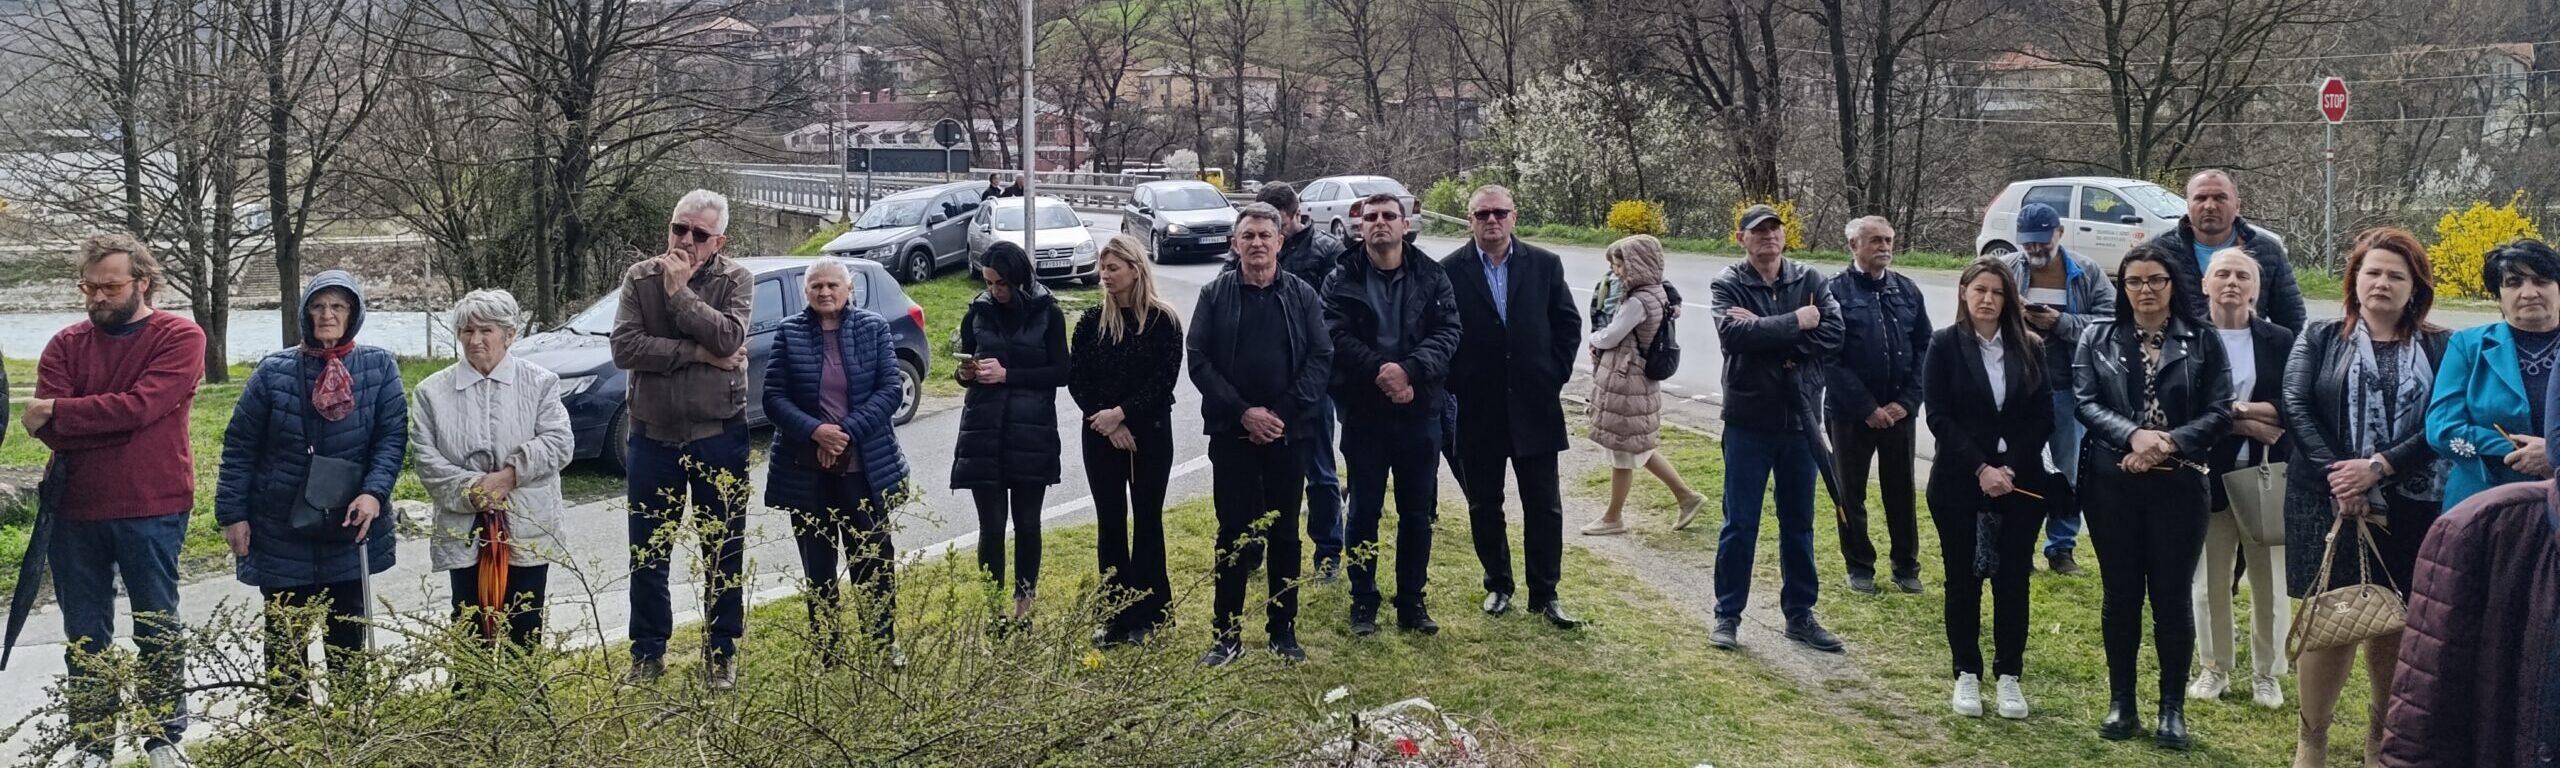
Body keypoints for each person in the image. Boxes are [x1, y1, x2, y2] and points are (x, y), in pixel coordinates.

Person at [29, 235, 205, 765]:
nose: (98, 297)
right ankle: (92, 746)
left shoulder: (180, 336)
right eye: (89, 287)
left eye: (110, 286)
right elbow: (49, 430)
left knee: (157, 625)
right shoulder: (65, 344)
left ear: (143, 282)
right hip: (74, 507)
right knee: (84, 635)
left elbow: (141, 407)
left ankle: (163, 740)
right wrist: (115, 422)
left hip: (154, 503)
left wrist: (66, 413)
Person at [2282, 228, 2450, 768]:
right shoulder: (2320, 336)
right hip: (2325, 501)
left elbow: (2441, 422)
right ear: (2354, 279)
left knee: (2397, 622)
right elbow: (2296, 405)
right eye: (2372, 272)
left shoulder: (2442, 346)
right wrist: (2343, 478)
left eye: (2396, 275)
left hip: (2413, 504)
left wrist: (2378, 468)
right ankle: (2312, 741)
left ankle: (2381, 739)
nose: (2382, 283)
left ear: (2415, 288)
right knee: (2329, 623)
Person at [216, 270, 408, 709]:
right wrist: (232, 514)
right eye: (318, 306)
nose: (327, 315)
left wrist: (374, 493)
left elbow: (391, 439)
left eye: (338, 306)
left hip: (350, 520)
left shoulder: (379, 367)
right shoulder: (273, 371)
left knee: (347, 635)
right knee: (286, 640)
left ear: (353, 314)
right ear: (305, 313)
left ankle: (350, 723)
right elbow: (240, 446)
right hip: (281, 525)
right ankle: (291, 727)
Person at [2076, 247, 2232, 750]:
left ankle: (2171, 710)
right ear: (2122, 287)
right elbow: (2085, 401)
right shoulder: (2097, 335)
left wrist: (2167, 442)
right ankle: (2122, 702)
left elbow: (2221, 410)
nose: (2145, 290)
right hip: (2112, 480)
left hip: (2179, 482)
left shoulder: (2202, 338)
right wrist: (2132, 436)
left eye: (2155, 280)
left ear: (2173, 284)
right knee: (2120, 594)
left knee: (2171, 596)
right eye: (2134, 281)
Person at [611, 189, 755, 689]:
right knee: (648, 552)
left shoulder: (737, 279)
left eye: (699, 233)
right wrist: (698, 354)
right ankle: (647, 653)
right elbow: (625, 348)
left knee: (723, 547)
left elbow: (729, 338)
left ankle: (721, 652)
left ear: (719, 242)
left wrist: (679, 295)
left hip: (719, 435)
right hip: (652, 438)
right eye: (679, 228)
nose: (685, 240)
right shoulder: (639, 277)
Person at [2376, 376, 2560, 766]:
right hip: (2494, 520)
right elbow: (2443, 429)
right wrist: (2523, 450)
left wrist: (2549, 454)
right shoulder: (2471, 528)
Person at [1189, 202, 1332, 666]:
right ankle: (1225, 634)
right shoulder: (1214, 294)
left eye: (1264, 235)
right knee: (1232, 533)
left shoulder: (1302, 295)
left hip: (1289, 434)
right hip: (1231, 432)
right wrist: (1244, 412)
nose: (1256, 243)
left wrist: (1279, 415)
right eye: (1247, 236)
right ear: (1235, 243)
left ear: (1279, 242)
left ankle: (1282, 630)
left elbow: (1320, 358)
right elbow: (1199, 360)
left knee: (1285, 533)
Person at [1441, 185, 1585, 628]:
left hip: (1534, 405)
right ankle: (1499, 584)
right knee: (1485, 504)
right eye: (1482, 213)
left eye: (1500, 212)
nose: (1492, 220)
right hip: (1478, 407)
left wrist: (1551, 375)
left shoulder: (1544, 264)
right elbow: (1440, 332)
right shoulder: (1449, 270)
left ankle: (1545, 593)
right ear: (1470, 219)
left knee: (1544, 505)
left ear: (1514, 216)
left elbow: (1567, 324)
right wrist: (1457, 382)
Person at [1707, 204, 1846, 652]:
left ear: (1785, 236)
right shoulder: (1728, 282)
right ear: (1741, 238)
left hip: (1799, 420)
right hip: (1748, 420)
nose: (1768, 236)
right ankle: (1727, 616)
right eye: (1758, 230)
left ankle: (1800, 615)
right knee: (1740, 524)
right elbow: (1734, 337)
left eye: (1774, 229)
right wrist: (1796, 322)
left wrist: (1768, 333)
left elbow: (1834, 336)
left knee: (1799, 524)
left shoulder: (1810, 279)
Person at [1921, 257, 2054, 721]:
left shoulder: (2030, 347)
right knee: (1963, 578)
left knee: (2013, 580)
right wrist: (1981, 467)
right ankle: (1966, 672)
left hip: (2019, 483)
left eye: (1998, 292)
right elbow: (1938, 416)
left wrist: (2009, 468)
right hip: (1959, 480)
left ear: (2009, 299)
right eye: (1980, 289)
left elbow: (2043, 416)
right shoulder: (1944, 344)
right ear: (1964, 292)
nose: (1988, 299)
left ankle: (2009, 674)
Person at [1324, 192, 1461, 637]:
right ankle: (1363, 600)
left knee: (1416, 513)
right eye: (1371, 217)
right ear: (1360, 226)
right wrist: (1381, 372)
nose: (1379, 222)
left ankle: (1412, 601)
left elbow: (1449, 333)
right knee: (1364, 509)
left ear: (1405, 225)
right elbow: (1333, 334)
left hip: (1419, 409)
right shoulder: (1340, 276)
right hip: (1364, 411)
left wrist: (1410, 371)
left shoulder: (1433, 275)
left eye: (1389, 215)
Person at [765, 257, 913, 662]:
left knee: (873, 557)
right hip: (806, 470)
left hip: (863, 466)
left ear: (850, 290)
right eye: (816, 286)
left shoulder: (873, 328)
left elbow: (890, 390)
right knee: (818, 562)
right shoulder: (789, 332)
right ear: (806, 292)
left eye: (833, 285)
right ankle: (827, 648)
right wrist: (816, 431)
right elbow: (773, 398)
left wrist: (842, 432)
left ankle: (881, 643)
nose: (825, 292)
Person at [412, 289, 574, 652]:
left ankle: (522, 688)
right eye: (467, 331)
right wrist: (474, 489)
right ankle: (472, 687)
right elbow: (426, 459)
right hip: (465, 525)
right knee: (469, 623)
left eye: (486, 330)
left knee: (524, 625)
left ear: (509, 335)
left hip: (528, 522)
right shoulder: (430, 392)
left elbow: (559, 442)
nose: (475, 340)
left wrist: (509, 476)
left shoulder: (540, 383)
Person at [2187, 249, 2296, 710]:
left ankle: (2266, 674)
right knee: (2208, 579)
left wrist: (2236, 410)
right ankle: (2214, 667)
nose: (2232, 282)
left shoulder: (2279, 339)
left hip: (2264, 474)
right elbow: (2186, 408)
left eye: (2242, 276)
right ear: (2205, 284)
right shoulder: (2189, 336)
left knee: (2270, 580)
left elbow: (2292, 404)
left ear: (2256, 288)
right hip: (2205, 474)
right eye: (2223, 274)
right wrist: (2248, 422)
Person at [1228, 182, 1349, 581]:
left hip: (1309, 386)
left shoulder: (1327, 252)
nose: (1264, 238)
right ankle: (1254, 545)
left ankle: (1328, 552)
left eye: (1277, 224)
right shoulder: (1245, 248)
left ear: (1295, 217)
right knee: (1257, 476)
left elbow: (1333, 318)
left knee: (1320, 471)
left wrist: (1305, 384)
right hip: (1258, 385)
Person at [1069, 235, 1183, 646]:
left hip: (1150, 433)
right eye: (1103, 268)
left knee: (1148, 520)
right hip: (1101, 433)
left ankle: (1152, 613)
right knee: (1111, 522)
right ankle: (1116, 614)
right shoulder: (1090, 323)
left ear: (1135, 270)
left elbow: (1163, 380)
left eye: (1113, 268)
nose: (1105, 275)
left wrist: (1124, 413)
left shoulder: (1164, 321)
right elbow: (1078, 379)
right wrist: (1108, 421)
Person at [953, 241, 1070, 626]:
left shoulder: (1049, 313)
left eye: (1001, 283)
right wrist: (965, 373)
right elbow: (964, 364)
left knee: (1028, 524)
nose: (994, 290)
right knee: (990, 527)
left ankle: (1024, 607)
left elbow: (1061, 372)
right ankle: (995, 610)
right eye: (988, 282)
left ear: (1019, 279)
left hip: (1031, 431)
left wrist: (1008, 375)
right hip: (983, 430)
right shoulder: (977, 312)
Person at [2003, 201, 2116, 576]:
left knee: (2067, 471)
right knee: (2018, 465)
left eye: (2042, 241)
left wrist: (2059, 322)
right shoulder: (2007, 269)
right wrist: (2016, 319)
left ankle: (2061, 547)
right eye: (2028, 243)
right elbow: (1980, 313)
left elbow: (2110, 325)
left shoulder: (2087, 272)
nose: (2035, 249)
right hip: (2019, 388)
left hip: (2069, 387)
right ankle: (2018, 542)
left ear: (2060, 233)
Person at [1825, 215, 1931, 594]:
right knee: (1849, 492)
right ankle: (1859, 566)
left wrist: (1907, 401)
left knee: (1901, 490)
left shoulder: (1907, 290)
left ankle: (1906, 566)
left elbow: (1925, 348)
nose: (1884, 247)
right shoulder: (1833, 292)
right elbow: (1828, 357)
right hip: (1850, 414)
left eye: (1888, 240)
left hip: (1899, 412)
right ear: (1854, 245)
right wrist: (1867, 408)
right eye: (1875, 241)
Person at [1582, 235, 1704, 535]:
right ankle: (1684, 497)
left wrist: (1594, 338)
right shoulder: (1657, 291)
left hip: (1627, 380)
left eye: (1620, 264)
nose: (1616, 271)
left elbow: (1612, 335)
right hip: (1636, 379)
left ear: (1637, 264)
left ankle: (1614, 518)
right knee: (1634, 448)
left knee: (1625, 451)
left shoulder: (1638, 301)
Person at [2425, 239, 2560, 509]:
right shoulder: (2468, 346)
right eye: (2513, 283)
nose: (2529, 292)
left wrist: (2553, 454)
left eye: (2541, 281)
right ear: (2498, 294)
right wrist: (2513, 450)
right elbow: (2441, 428)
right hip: (2483, 503)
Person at [2126, 169, 2307, 334]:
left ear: (2237, 206)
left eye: (2220, 198)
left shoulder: (2266, 250)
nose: (2210, 206)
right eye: (2201, 198)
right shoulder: (2159, 252)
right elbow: (2136, 316)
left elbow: (2292, 321)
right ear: (2188, 205)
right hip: (2181, 354)